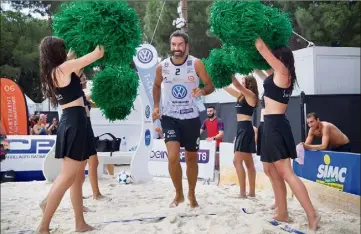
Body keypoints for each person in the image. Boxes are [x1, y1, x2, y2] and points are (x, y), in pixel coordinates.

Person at [37, 36, 104, 234]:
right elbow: (98, 53)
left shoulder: (55, 71)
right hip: (75, 121)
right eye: (63, 48)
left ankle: (79, 223)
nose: (66, 50)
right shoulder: (63, 69)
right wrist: (101, 32)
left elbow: (73, 54)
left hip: (73, 120)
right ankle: (43, 226)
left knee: (75, 177)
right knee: (67, 177)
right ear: (57, 51)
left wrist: (79, 36)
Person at [255, 38, 320, 230]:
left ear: (281, 59)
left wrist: (252, 33)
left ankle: (312, 214)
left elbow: (260, 47)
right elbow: (262, 73)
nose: (272, 61)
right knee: (271, 170)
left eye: (275, 58)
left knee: (286, 172)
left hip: (275, 125)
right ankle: (283, 212)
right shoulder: (278, 75)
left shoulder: (283, 72)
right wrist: (250, 63)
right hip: (269, 125)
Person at [152, 30, 215, 208]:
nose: (176, 48)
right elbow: (156, 85)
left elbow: (210, 85)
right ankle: (178, 194)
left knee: (191, 158)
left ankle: (192, 194)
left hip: (191, 117)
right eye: (173, 45)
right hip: (170, 117)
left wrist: (202, 90)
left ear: (187, 46)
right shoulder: (162, 66)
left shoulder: (196, 64)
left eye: (180, 44)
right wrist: (156, 106)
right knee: (172, 157)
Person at [223, 75, 258, 198]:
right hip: (241, 128)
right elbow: (226, 87)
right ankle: (252, 192)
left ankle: (243, 193)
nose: (242, 84)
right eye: (242, 82)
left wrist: (229, 73)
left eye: (244, 82)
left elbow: (236, 85)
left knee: (236, 161)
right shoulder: (241, 96)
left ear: (250, 84)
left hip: (245, 129)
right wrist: (218, 78)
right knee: (249, 163)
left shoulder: (251, 96)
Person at [253, 69, 279, 210]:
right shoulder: (268, 84)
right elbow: (265, 77)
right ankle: (277, 199)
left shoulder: (278, 84)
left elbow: (270, 76)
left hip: (271, 124)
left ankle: (279, 200)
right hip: (263, 125)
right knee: (267, 169)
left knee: (273, 168)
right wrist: (255, 67)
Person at [80, 73, 106, 200]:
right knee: (88, 163)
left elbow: (97, 104)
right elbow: (88, 96)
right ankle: (95, 194)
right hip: (82, 129)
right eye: (83, 79)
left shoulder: (84, 98)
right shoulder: (78, 95)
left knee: (90, 163)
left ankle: (94, 193)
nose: (85, 81)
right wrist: (100, 88)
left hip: (86, 128)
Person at [200, 106, 224, 173]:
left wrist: (212, 138)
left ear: (214, 111)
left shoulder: (219, 121)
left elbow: (221, 134)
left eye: (211, 111)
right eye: (208, 111)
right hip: (209, 145)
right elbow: (200, 131)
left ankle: (218, 178)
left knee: (217, 164)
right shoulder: (205, 121)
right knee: (209, 164)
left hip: (218, 145)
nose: (209, 113)